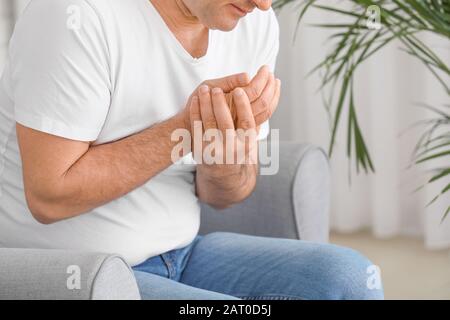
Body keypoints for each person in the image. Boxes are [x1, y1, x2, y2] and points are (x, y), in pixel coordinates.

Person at [0, 0, 383, 299]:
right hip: (82, 276)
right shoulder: (76, 17)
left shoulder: (254, 24)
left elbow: (224, 195)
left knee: (349, 280)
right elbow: (49, 196)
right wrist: (184, 129)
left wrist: (224, 161)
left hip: (183, 254)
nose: (264, 5)